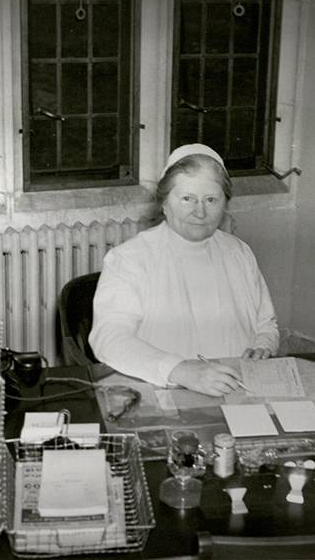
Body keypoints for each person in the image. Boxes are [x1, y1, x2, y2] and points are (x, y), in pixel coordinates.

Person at [90, 143, 280, 396]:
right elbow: (109, 339)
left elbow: (266, 324)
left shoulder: (239, 252)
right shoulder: (131, 258)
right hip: (166, 391)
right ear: (164, 203)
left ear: (225, 204)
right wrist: (182, 370)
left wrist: (263, 345)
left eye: (211, 199)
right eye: (187, 198)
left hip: (240, 388)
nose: (200, 212)